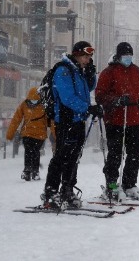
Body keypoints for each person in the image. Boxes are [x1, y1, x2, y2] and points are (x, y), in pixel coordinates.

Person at [41, 41, 102, 209]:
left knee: (74, 157)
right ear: (77, 55)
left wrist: (91, 75)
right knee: (61, 156)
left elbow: (87, 88)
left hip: (78, 120)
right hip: (66, 120)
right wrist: (88, 107)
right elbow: (67, 98)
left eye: (90, 56)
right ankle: (50, 192)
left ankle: (67, 190)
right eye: (85, 56)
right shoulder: (64, 70)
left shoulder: (78, 71)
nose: (88, 59)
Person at [95, 42, 139, 201]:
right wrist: (117, 100)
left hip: (133, 119)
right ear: (118, 56)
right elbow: (100, 95)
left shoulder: (136, 70)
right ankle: (111, 185)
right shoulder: (109, 72)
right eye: (125, 56)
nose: (128, 59)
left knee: (136, 152)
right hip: (115, 120)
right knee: (115, 155)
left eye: (130, 56)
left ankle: (129, 184)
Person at [6, 87, 51, 181]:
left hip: (27, 134)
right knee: (35, 151)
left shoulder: (24, 104)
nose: (33, 101)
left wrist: (10, 134)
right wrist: (56, 135)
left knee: (28, 151)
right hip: (40, 135)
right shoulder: (44, 105)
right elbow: (51, 121)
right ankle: (35, 172)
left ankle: (27, 170)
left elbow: (16, 119)